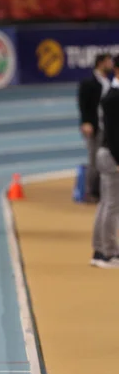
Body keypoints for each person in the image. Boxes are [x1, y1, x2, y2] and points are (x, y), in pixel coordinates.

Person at [90, 54, 119, 269]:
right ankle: (109, 253)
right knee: (111, 205)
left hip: (108, 153)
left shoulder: (112, 94)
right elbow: (114, 133)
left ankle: (100, 250)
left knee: (105, 204)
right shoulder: (113, 97)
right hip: (112, 155)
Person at [77, 53, 113, 203]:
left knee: (106, 160)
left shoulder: (108, 82)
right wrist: (85, 122)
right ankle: (90, 193)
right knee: (94, 160)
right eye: (108, 62)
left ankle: (102, 191)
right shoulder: (88, 83)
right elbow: (83, 104)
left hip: (107, 127)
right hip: (94, 127)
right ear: (100, 63)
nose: (111, 65)